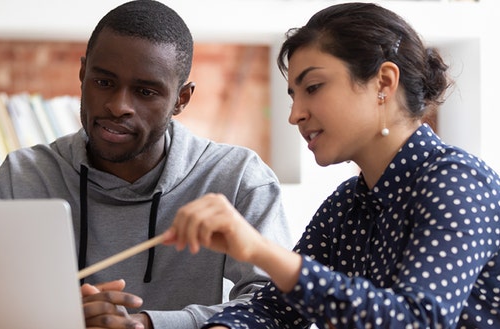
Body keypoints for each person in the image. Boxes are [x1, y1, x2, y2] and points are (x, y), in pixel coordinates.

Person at [164, 2, 500, 328]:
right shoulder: (346, 204)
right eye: (294, 96)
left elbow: (416, 320)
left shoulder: (458, 180)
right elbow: (273, 312)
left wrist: (259, 250)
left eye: (313, 87)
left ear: (384, 82)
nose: (295, 115)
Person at [0, 1, 293, 328]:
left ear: (181, 99)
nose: (118, 106)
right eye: (103, 83)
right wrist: (57, 318)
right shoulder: (23, 177)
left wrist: (150, 324)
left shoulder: (238, 178)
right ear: (82, 73)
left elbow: (279, 306)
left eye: (145, 92)